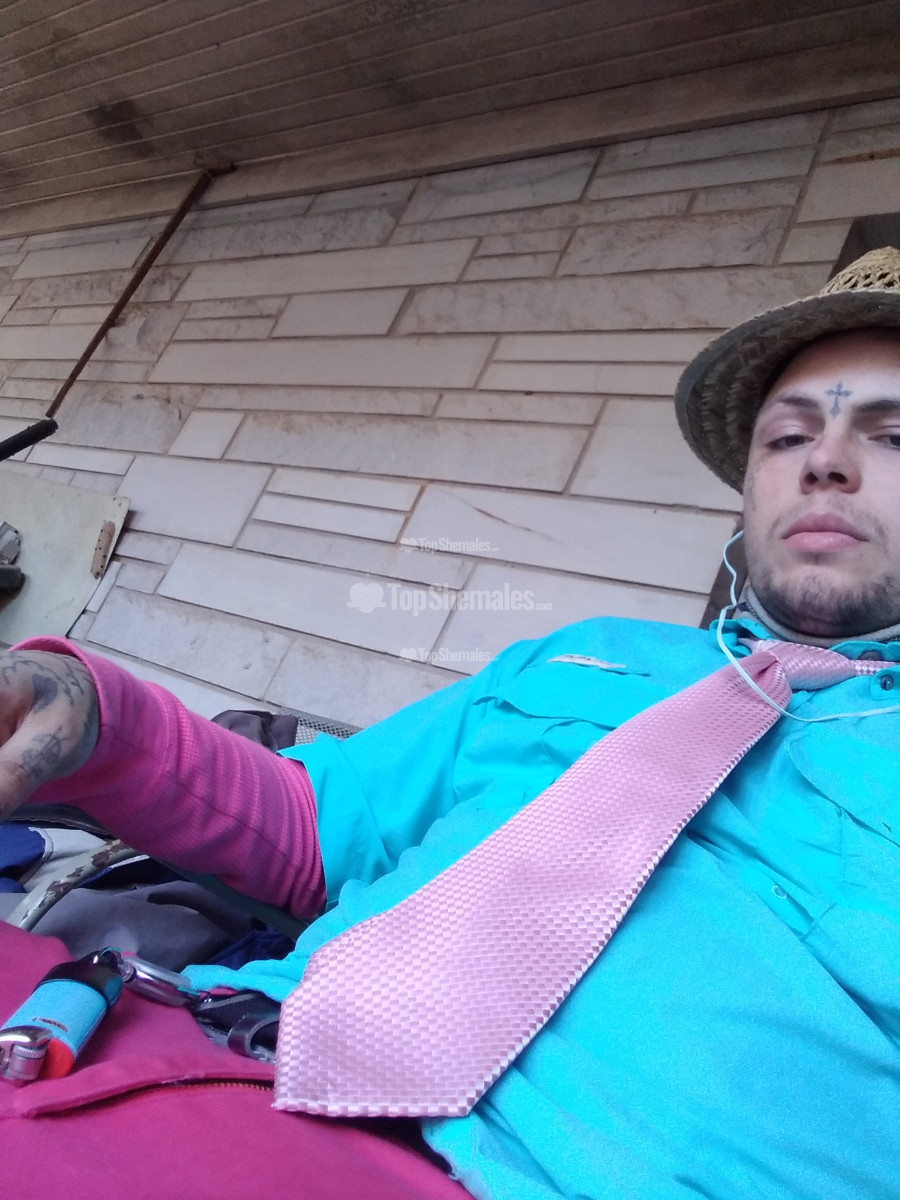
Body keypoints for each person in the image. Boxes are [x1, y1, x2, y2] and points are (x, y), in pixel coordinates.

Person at [2, 248, 900, 1199]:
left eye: (894, 436)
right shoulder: (586, 658)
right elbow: (319, 828)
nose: (823, 464)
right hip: (210, 1059)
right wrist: (92, 716)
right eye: (786, 436)